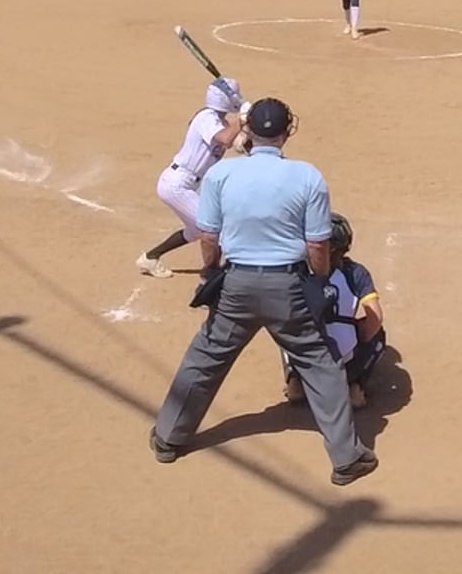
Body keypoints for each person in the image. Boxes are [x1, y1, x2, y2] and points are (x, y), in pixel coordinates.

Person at [149, 98, 379, 487]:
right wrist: (320, 280)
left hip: (236, 284)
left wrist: (211, 273)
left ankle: (169, 438)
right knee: (320, 365)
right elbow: (318, 244)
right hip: (288, 286)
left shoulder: (222, 174)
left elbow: (209, 236)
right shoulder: (307, 176)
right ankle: (347, 458)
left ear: (248, 131)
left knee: (205, 359)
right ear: (287, 132)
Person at [138, 79, 250, 278]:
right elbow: (224, 138)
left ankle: (150, 258)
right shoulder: (206, 118)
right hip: (177, 183)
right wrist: (241, 120)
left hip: (191, 184)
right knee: (214, 227)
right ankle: (212, 275)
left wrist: (252, 120)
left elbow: (240, 144)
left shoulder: (222, 123)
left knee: (196, 231)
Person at [282, 213, 386, 411]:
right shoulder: (355, 272)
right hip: (343, 358)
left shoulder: (297, 270)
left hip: (305, 354)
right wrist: (361, 335)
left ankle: (296, 382)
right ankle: (355, 385)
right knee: (377, 333)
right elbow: (376, 316)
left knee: (286, 326)